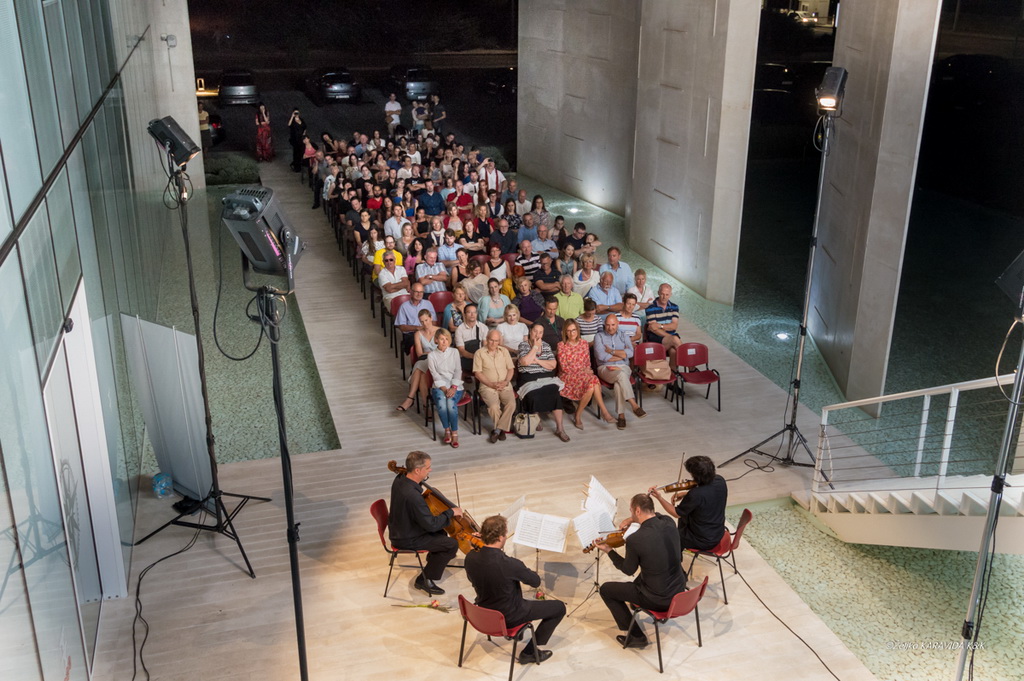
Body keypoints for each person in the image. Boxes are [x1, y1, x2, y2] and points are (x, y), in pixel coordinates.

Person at [465, 515, 566, 663]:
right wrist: (523, 569)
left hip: (483, 611)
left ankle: (519, 635)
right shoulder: (510, 564)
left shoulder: (470, 557)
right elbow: (535, 581)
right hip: (508, 616)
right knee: (559, 608)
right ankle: (529, 652)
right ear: (500, 538)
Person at [593, 493, 687, 649]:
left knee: (606, 589)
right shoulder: (669, 522)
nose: (630, 514)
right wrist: (632, 520)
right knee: (649, 569)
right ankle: (635, 607)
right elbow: (656, 516)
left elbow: (628, 569)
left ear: (637, 511)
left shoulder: (635, 539)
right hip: (679, 588)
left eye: (631, 511)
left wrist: (609, 550)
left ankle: (636, 636)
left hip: (658, 599)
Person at [389, 451, 463, 595]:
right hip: (406, 538)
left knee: (441, 532)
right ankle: (424, 580)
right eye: (428, 467)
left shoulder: (400, 478)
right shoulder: (413, 496)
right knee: (451, 545)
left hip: (400, 526)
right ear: (417, 470)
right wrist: (451, 512)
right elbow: (431, 524)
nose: (430, 470)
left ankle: (433, 560)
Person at [649, 455, 729, 551]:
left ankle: (675, 560)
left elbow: (676, 513)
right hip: (717, 532)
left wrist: (659, 498)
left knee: (668, 535)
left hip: (701, 540)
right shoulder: (719, 480)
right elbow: (708, 493)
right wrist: (685, 494)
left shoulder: (696, 494)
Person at [517, 324, 570, 442]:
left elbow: (553, 365)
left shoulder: (546, 346)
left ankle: (560, 428)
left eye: (540, 332)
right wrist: (535, 348)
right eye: (535, 331)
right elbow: (525, 362)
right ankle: (536, 419)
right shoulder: (523, 345)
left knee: (555, 393)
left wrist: (535, 360)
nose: (537, 335)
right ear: (530, 331)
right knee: (534, 393)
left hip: (547, 377)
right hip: (529, 378)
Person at [557, 319, 615, 429]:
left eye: (574, 330)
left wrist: (584, 370)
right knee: (593, 382)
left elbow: (587, 363)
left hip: (583, 375)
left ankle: (578, 415)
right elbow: (565, 368)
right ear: (565, 332)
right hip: (567, 377)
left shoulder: (583, 343)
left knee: (592, 383)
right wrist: (583, 370)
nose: (571, 333)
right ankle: (604, 413)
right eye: (568, 331)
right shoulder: (561, 345)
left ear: (578, 331)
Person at [594, 315, 646, 429]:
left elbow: (630, 353)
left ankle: (621, 416)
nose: (610, 327)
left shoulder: (624, 335)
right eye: (607, 325)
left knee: (619, 382)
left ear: (617, 324)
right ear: (604, 324)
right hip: (605, 368)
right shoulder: (599, 336)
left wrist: (612, 352)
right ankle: (634, 404)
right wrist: (621, 355)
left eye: (613, 325)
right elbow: (602, 356)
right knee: (621, 376)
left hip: (623, 367)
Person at [474, 330, 517, 443]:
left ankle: (497, 430)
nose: (493, 343)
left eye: (496, 341)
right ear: (487, 340)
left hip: (505, 385)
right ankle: (501, 430)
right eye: (491, 340)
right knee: (493, 407)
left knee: (511, 404)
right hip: (488, 386)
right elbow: (478, 373)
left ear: (499, 341)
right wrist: (491, 384)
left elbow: (510, 369)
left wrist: (506, 381)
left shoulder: (504, 351)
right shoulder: (479, 353)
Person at [396, 309, 439, 412]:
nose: (425, 323)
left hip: (439, 359)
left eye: (426, 320)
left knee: (419, 368)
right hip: (424, 359)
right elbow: (419, 354)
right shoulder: (418, 334)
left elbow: (444, 350)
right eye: (422, 321)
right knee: (422, 373)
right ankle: (425, 405)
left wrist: (432, 353)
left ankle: (410, 399)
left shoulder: (440, 331)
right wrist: (433, 352)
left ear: (431, 318)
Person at [428, 328, 464, 448]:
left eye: (447, 339)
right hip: (440, 386)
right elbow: (435, 375)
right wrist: (445, 389)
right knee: (442, 405)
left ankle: (455, 432)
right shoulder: (432, 355)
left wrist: (453, 387)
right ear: (436, 340)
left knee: (450, 404)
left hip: (455, 385)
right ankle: (447, 430)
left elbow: (458, 371)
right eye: (442, 339)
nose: (444, 341)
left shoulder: (454, 352)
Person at [646, 283, 683, 366]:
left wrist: (660, 325)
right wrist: (671, 337)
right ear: (658, 292)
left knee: (673, 351)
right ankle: (691, 367)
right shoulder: (651, 308)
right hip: (656, 338)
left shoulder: (674, 307)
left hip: (670, 337)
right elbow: (653, 329)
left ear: (670, 295)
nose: (664, 297)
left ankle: (672, 374)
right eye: (662, 294)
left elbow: (674, 326)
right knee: (675, 339)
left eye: (667, 294)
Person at [454, 303, 485, 373]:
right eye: (469, 312)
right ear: (464, 315)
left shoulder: (483, 327)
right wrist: (474, 357)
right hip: (465, 359)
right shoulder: (459, 329)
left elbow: (485, 346)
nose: (472, 314)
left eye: (474, 312)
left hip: (481, 358)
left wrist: (481, 358)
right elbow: (461, 350)